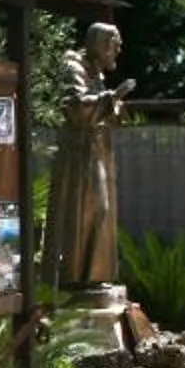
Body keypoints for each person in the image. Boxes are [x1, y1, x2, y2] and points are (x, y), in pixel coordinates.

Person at [48, 20, 131, 290]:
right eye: (114, 47)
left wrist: (112, 103)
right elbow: (75, 108)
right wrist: (110, 98)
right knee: (90, 208)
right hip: (79, 154)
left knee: (100, 211)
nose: (117, 52)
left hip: (97, 150)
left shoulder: (96, 73)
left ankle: (93, 276)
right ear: (100, 46)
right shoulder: (74, 68)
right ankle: (75, 276)